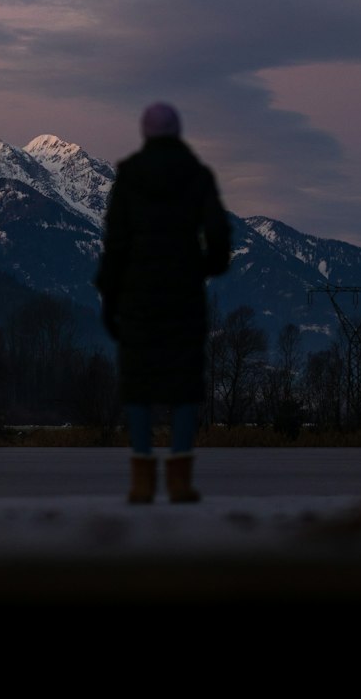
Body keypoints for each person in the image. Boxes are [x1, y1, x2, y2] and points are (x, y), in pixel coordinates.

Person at [95, 101, 231, 505]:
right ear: (178, 132)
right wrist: (205, 266)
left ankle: (141, 481)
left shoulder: (129, 177)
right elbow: (218, 234)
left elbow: (115, 242)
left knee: (138, 383)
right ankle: (180, 481)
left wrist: (109, 294)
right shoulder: (198, 176)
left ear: (145, 133)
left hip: (137, 292)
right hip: (184, 291)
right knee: (184, 383)